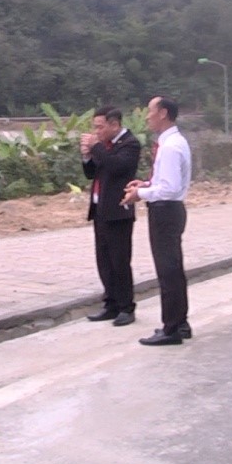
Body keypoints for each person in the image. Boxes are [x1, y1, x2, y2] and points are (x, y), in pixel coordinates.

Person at [121, 96, 192, 346]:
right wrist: (146, 184)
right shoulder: (172, 142)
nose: (147, 116)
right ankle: (180, 323)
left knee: (168, 271)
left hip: (165, 211)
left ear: (162, 113)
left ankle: (171, 328)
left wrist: (139, 194)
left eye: (150, 111)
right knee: (173, 269)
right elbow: (165, 182)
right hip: (170, 210)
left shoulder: (170, 146)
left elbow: (170, 189)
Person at [80, 106, 141, 326]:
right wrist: (87, 156)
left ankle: (126, 307)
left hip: (118, 211)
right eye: (95, 127)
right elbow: (91, 173)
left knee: (119, 261)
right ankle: (110, 304)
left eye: (100, 127)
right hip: (100, 210)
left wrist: (96, 147)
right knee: (104, 260)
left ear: (114, 124)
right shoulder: (104, 146)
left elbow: (116, 167)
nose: (97, 132)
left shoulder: (129, 144)